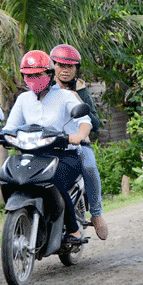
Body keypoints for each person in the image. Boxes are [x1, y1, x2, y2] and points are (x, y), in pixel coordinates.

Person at [0, 50, 91, 245]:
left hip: (64, 156)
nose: (33, 79)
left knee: (56, 179)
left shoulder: (64, 96)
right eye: (28, 75)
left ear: (50, 74)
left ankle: (74, 230)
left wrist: (79, 135)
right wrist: (1, 134)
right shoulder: (23, 100)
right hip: (32, 156)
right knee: (11, 177)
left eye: (38, 75)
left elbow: (84, 120)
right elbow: (11, 128)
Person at [49, 43, 108, 240]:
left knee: (89, 168)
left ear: (76, 69)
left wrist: (79, 101)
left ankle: (97, 214)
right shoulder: (45, 89)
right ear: (53, 66)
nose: (65, 70)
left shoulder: (82, 90)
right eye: (60, 65)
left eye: (70, 66)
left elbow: (96, 123)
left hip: (77, 144)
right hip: (48, 143)